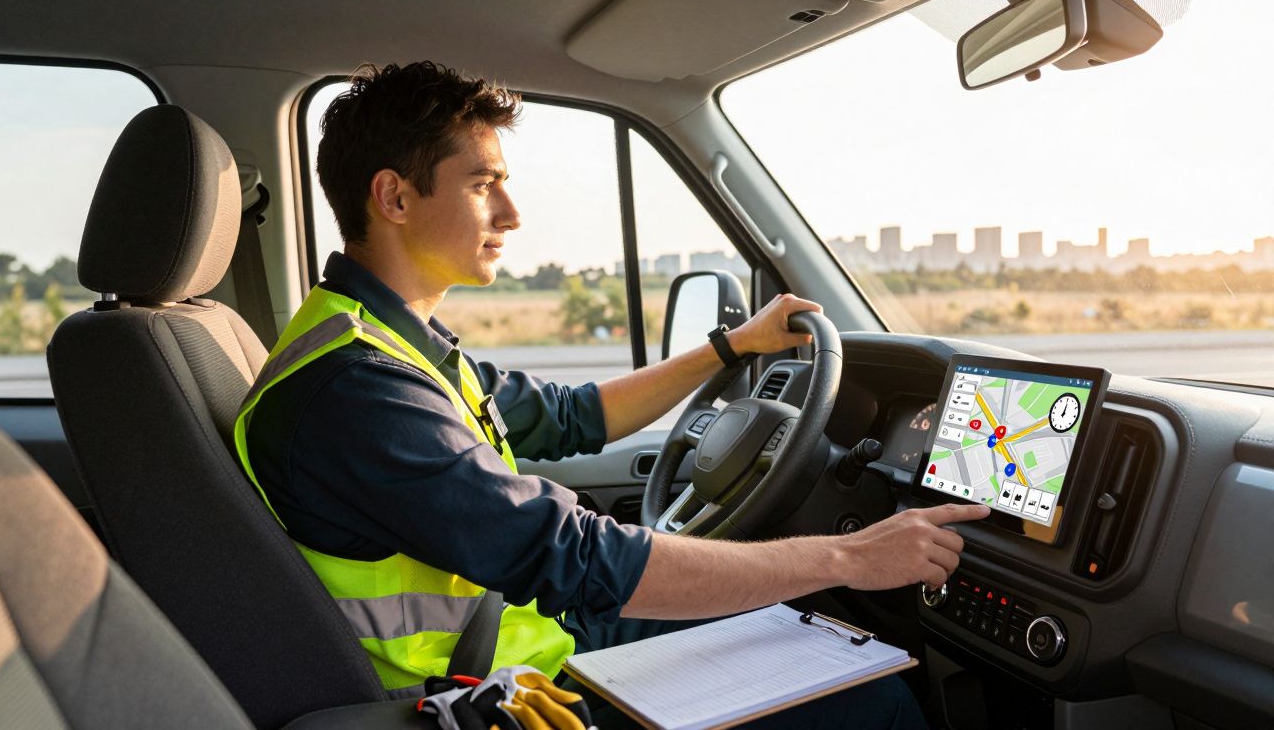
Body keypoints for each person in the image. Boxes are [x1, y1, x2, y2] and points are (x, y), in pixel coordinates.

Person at [234, 61, 987, 728]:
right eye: (483, 183)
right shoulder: (360, 388)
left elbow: (576, 417)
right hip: (506, 689)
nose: (512, 214)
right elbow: (577, 558)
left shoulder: (385, 343)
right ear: (394, 197)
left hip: (528, 636)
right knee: (870, 698)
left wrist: (732, 347)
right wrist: (849, 558)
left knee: (796, 631)